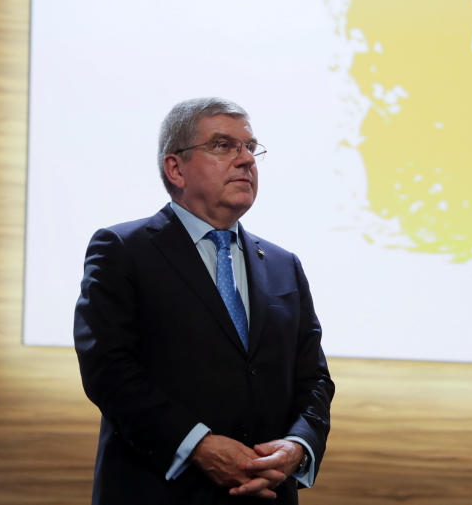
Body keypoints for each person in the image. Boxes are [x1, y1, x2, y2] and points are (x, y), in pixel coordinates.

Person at [74, 97, 334, 504]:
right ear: (175, 168)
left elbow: (314, 379)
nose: (246, 160)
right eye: (223, 145)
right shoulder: (123, 250)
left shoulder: (284, 266)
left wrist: (298, 447)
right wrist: (198, 445)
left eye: (251, 147)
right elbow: (108, 370)